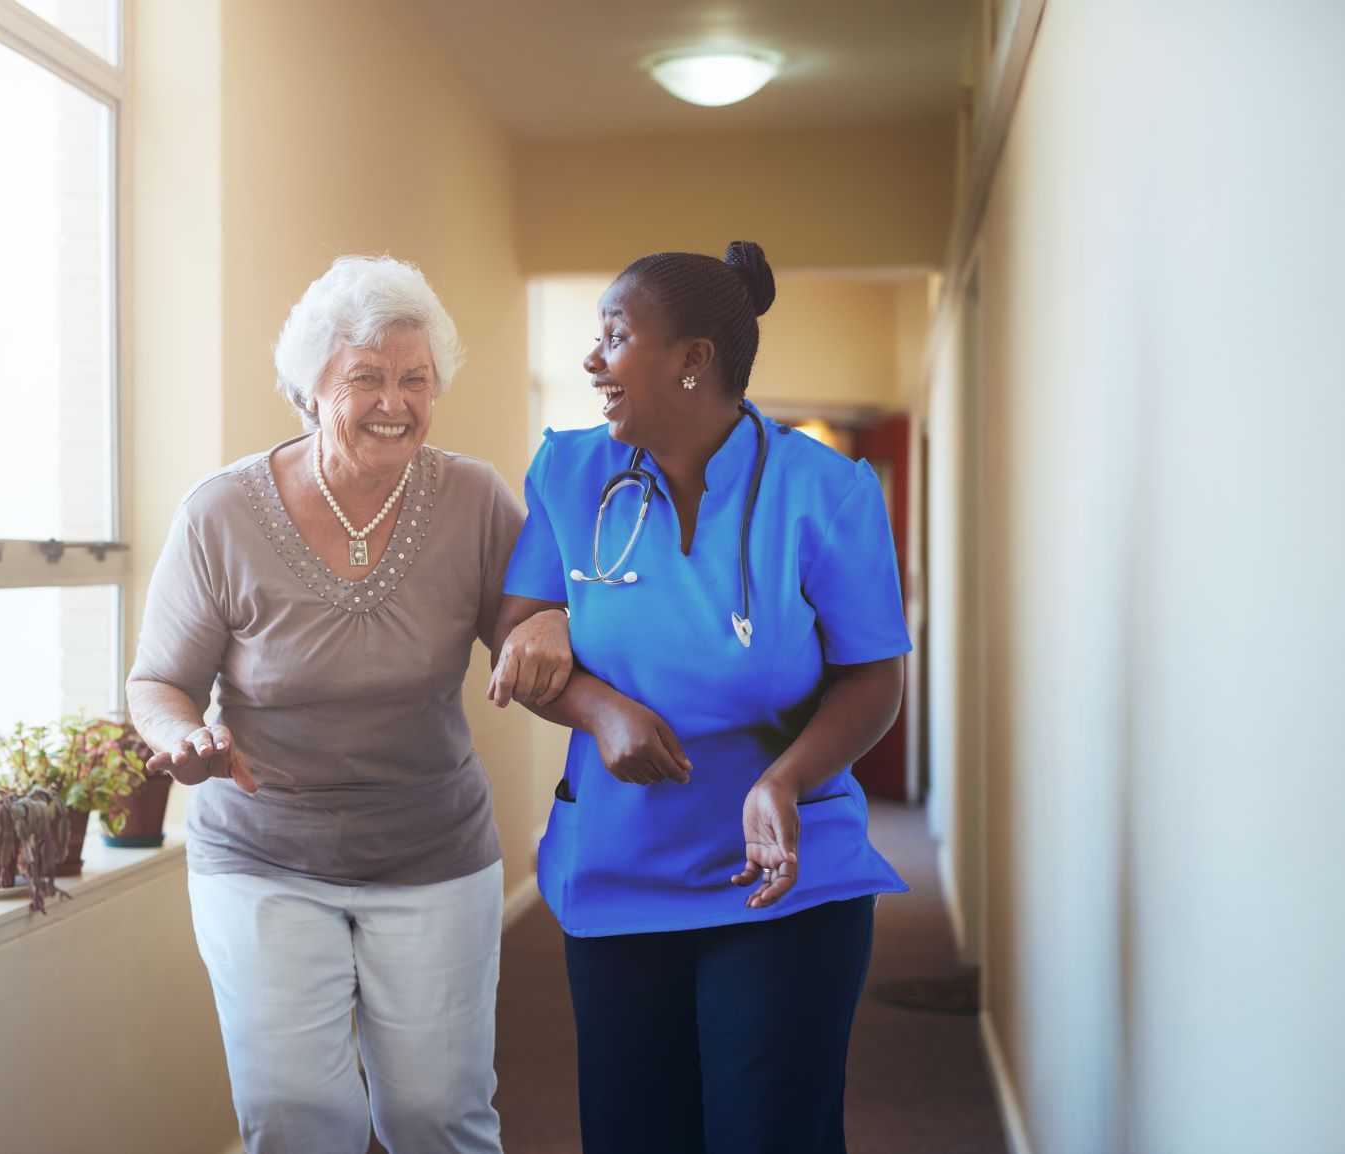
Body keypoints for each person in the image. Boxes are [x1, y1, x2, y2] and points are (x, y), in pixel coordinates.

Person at [127, 255, 568, 1154]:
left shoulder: (475, 497)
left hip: (433, 850)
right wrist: (185, 737)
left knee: (437, 1117)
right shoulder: (220, 514)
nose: (394, 402)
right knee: (297, 1120)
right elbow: (158, 682)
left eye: (416, 379)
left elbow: (530, 623)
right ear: (310, 386)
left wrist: (548, 624)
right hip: (262, 850)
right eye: (365, 378)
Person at [488, 241, 911, 1153]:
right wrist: (602, 709)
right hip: (619, 862)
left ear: (692, 361)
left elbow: (875, 675)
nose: (592, 360)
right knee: (634, 1132)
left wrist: (787, 779)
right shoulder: (570, 474)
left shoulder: (825, 491)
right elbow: (519, 640)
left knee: (770, 1132)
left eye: (615, 336)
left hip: (779, 870)